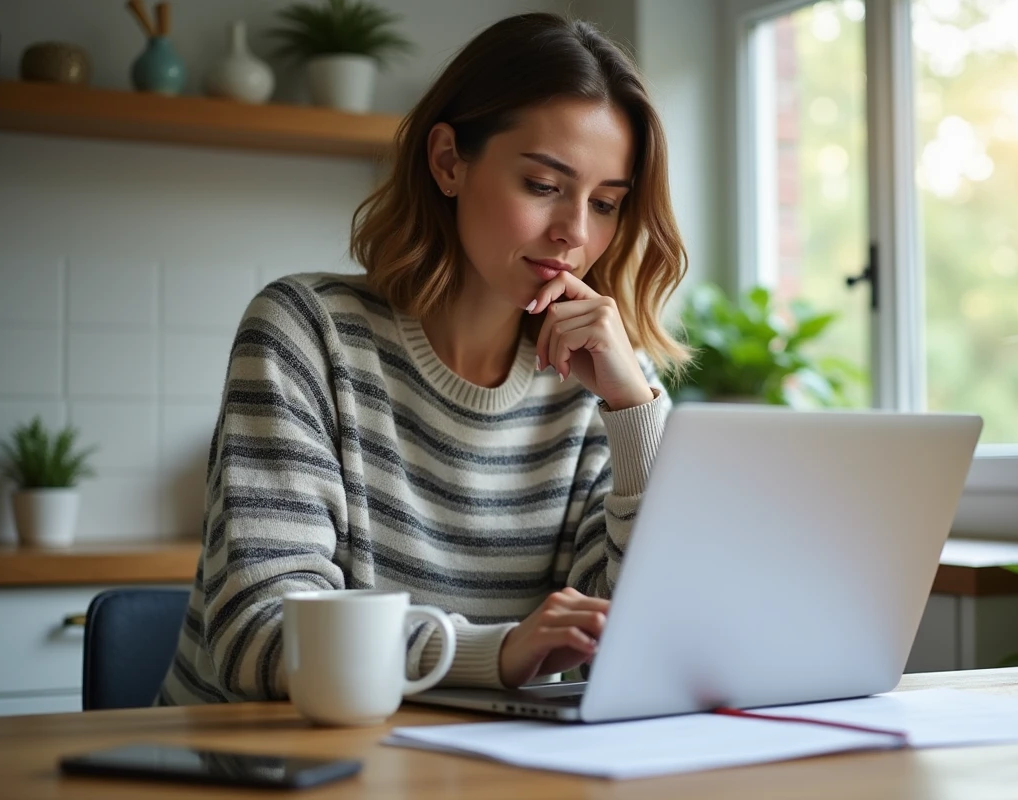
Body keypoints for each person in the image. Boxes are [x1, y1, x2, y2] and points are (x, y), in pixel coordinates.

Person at [157, 11, 689, 705]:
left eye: (607, 203)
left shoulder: (607, 386)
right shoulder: (305, 330)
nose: (575, 233)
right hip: (251, 756)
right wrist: (494, 652)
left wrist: (634, 411)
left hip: (466, 757)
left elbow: (641, 640)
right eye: (543, 186)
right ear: (448, 162)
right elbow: (258, 635)